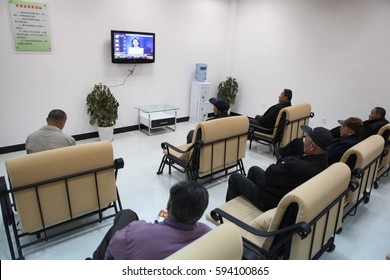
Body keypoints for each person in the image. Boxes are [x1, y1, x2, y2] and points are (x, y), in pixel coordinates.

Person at [90, 180, 211, 260]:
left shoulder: (137, 232)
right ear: (200, 214)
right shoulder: (209, 234)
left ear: (168, 205)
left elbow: (111, 253)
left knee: (126, 214)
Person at [226, 125, 333, 212]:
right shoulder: (323, 163)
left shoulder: (298, 166)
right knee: (254, 170)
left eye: (306, 139)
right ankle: (242, 205)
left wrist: (284, 161)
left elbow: (270, 172)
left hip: (271, 201)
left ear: (312, 146)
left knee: (235, 178)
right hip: (284, 192)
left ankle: (228, 212)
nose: (303, 141)